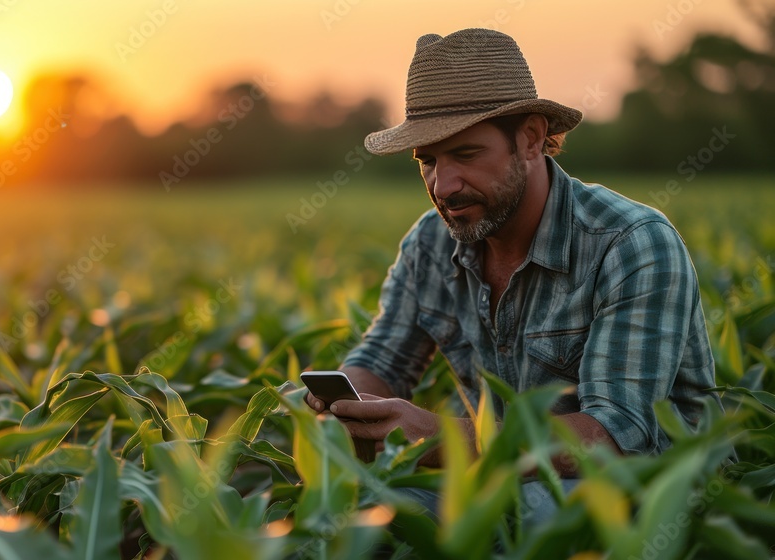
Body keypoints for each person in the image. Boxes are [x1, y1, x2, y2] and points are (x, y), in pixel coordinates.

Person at [304, 28, 718, 523]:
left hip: (649, 493)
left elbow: (617, 433)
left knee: (532, 514)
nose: (444, 185)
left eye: (466, 154)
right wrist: (339, 401)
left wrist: (439, 437)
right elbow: (384, 358)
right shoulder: (431, 243)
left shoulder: (630, 244)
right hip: (501, 481)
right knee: (354, 514)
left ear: (531, 138)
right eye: (428, 161)